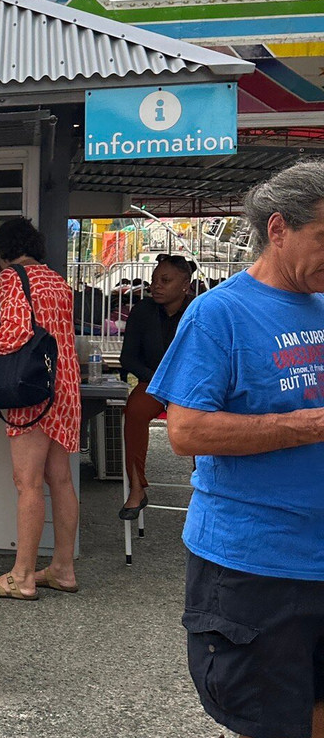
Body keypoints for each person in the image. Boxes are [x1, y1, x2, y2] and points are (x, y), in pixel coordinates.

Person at [148, 162, 324, 738]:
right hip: (256, 566)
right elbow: (185, 432)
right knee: (270, 720)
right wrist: (303, 426)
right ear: (279, 229)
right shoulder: (219, 313)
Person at [0, 218, 81, 601]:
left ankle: (22, 576)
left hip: (33, 388)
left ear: (4, 250)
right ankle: (63, 568)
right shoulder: (57, 279)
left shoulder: (11, 277)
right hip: (65, 386)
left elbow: (17, 331)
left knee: (28, 483)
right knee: (62, 481)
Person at [117, 253, 195, 519]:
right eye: (153, 280)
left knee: (204, 417)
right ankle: (137, 488)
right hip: (152, 383)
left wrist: (180, 385)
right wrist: (158, 381)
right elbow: (127, 358)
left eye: (165, 280)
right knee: (135, 411)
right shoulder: (142, 311)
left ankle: (204, 485)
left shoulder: (197, 311)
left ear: (185, 285)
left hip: (189, 386)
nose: (156, 286)